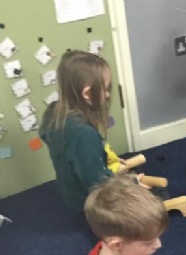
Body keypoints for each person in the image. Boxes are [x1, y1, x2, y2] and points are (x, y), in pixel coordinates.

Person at [39, 50, 144, 211]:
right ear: (87, 93)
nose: (108, 94)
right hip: (92, 202)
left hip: (71, 192)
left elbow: (77, 156)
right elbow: (98, 185)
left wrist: (103, 159)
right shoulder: (84, 134)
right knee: (151, 195)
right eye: (106, 89)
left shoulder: (55, 111)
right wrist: (132, 183)